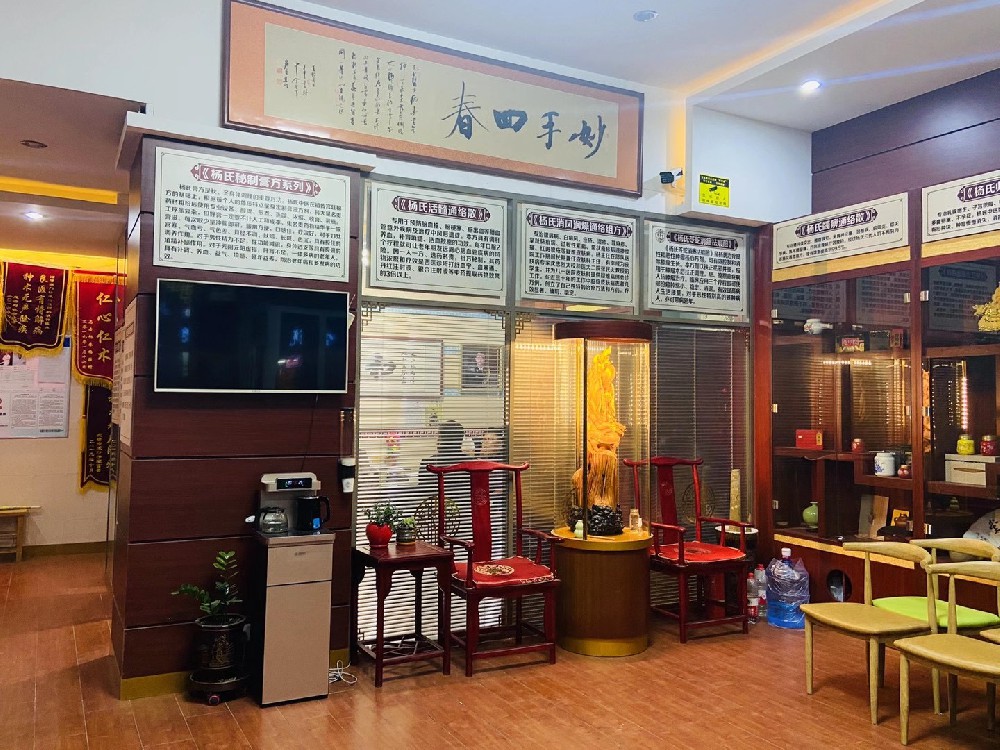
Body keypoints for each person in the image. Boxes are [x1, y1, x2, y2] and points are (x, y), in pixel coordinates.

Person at [418, 419, 467, 493]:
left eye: (439, 437)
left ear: (441, 440)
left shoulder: (428, 465)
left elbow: (423, 494)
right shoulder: (472, 464)